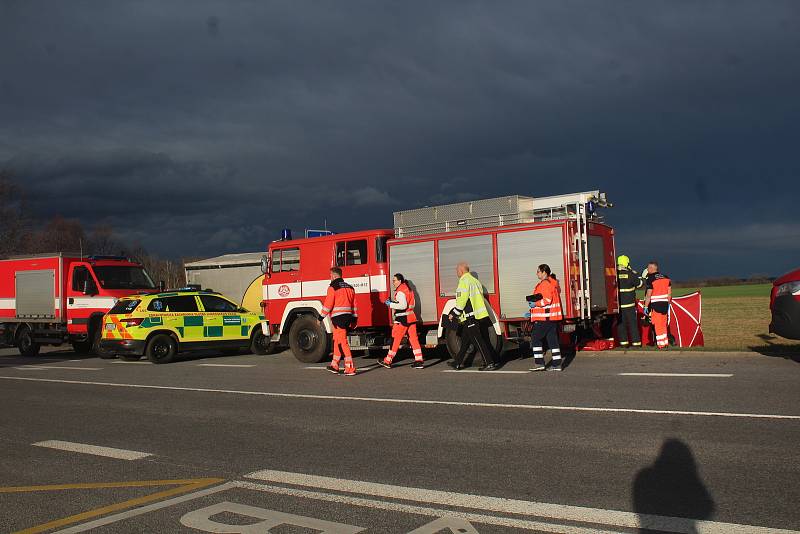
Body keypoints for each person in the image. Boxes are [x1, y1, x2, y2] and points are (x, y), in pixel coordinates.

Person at [447, 262, 500, 371]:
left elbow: (461, 302)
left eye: (457, 270)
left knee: (478, 341)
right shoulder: (475, 281)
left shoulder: (464, 282)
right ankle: (457, 362)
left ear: (461, 271)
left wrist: (453, 314)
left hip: (470, 317)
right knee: (466, 341)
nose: (456, 273)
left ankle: (489, 363)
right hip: (477, 316)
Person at [379, 273, 424, 369]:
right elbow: (411, 304)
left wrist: (390, 304)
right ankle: (419, 361)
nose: (393, 282)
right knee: (413, 339)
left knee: (395, 340)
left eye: (394, 280)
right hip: (411, 318)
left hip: (402, 319)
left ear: (400, 281)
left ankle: (388, 360)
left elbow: (403, 306)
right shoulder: (408, 289)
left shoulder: (400, 291)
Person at [319, 267, 358, 375]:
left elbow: (328, 305)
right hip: (348, 317)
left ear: (335, 276)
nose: (330, 277)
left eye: (330, 275)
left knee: (342, 343)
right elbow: (354, 306)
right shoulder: (350, 288)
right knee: (337, 340)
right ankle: (334, 364)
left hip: (338, 318)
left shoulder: (333, 287)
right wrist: (354, 319)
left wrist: (320, 318)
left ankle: (350, 368)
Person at [528, 264, 563, 371]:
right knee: (552, 341)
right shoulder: (551, 283)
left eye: (538, 271)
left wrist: (535, 304)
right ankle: (557, 364)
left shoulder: (545, 284)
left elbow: (547, 300)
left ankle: (539, 363)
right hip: (551, 318)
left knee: (535, 338)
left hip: (545, 319)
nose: (537, 273)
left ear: (544, 272)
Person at [616, 255, 643, 348]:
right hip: (630, 305)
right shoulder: (630, 274)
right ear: (627, 263)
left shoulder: (614, 274)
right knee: (632, 324)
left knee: (621, 325)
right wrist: (637, 275)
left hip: (619, 305)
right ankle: (636, 344)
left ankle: (623, 343)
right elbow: (640, 284)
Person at [643, 261, 671, 350]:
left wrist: (646, 306)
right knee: (663, 324)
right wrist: (668, 304)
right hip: (665, 305)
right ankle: (665, 342)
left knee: (658, 325)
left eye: (648, 268)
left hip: (656, 305)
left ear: (652, 268)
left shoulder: (650, 279)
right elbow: (669, 293)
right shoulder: (666, 277)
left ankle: (661, 345)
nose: (647, 269)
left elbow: (648, 295)